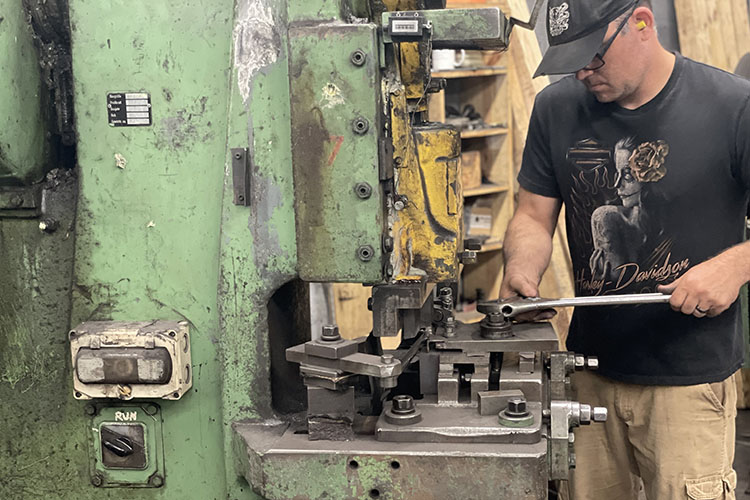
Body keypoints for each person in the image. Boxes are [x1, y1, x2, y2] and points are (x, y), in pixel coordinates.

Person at [500, 0, 750, 498]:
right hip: (587, 374)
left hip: (687, 381)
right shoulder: (556, 108)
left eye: (594, 55)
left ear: (642, 22)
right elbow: (532, 214)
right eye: (571, 59)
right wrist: (522, 266)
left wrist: (735, 266)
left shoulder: (732, 106)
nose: (582, 72)